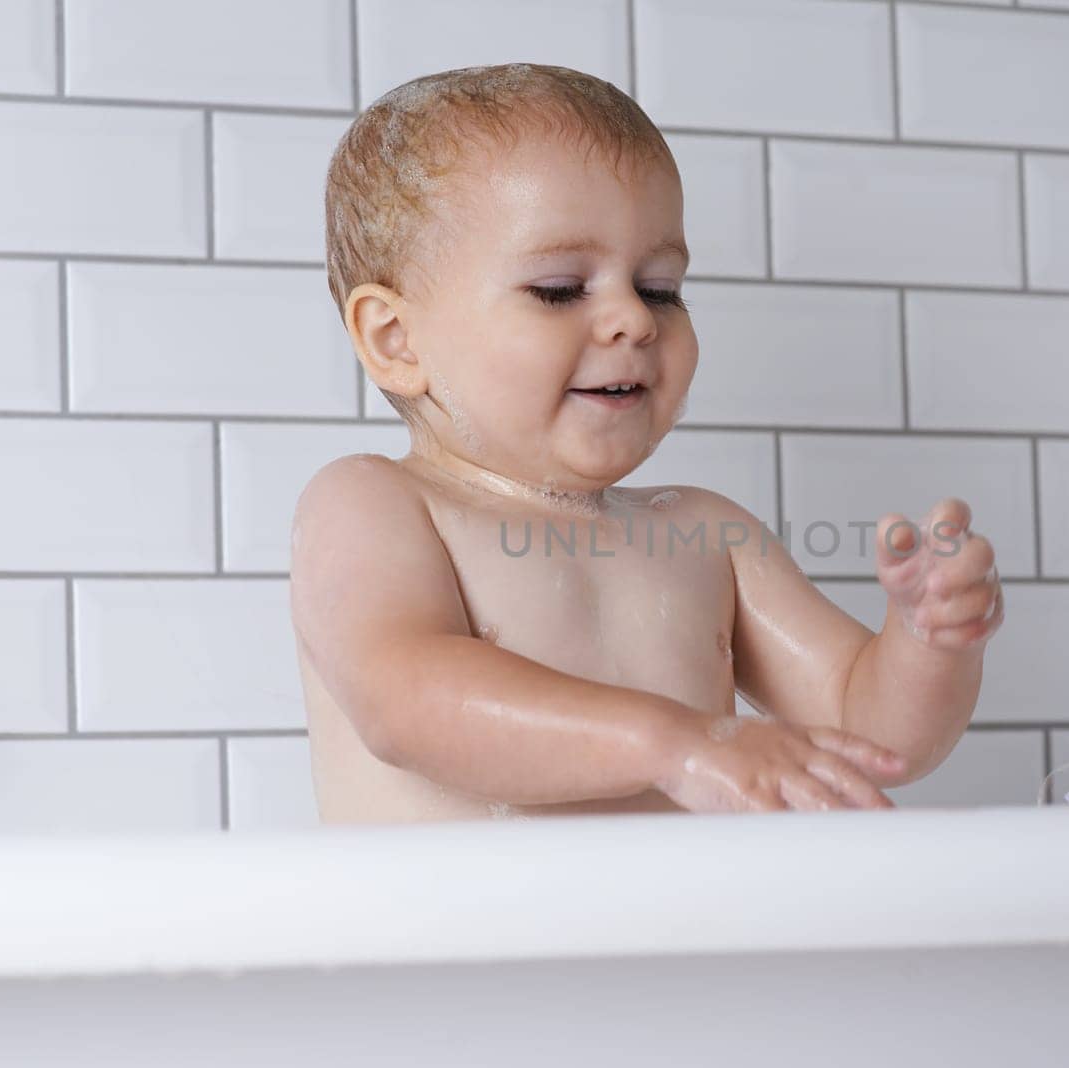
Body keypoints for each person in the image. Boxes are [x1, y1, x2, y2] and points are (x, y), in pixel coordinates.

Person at [290, 63, 1004, 822]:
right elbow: (405, 701)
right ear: (397, 339)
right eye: (560, 288)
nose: (635, 319)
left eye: (660, 287)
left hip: (685, 939)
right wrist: (676, 743)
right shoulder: (373, 504)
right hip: (459, 940)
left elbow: (869, 735)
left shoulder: (707, 537)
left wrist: (930, 646)